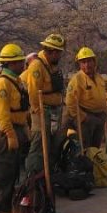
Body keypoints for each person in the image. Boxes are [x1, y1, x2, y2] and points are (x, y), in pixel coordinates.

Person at [0, 45, 30, 213]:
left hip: (17, 127)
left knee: (12, 171)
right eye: (19, 62)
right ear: (11, 64)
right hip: (6, 132)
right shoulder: (3, 83)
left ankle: (6, 204)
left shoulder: (15, 81)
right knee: (2, 170)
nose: (22, 65)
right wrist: (10, 135)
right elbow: (3, 115)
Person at [22, 34, 66, 177]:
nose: (60, 55)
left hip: (55, 111)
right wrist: (37, 112)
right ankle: (32, 178)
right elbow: (33, 92)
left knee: (53, 144)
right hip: (42, 111)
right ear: (51, 51)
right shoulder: (37, 66)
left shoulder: (53, 66)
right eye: (58, 52)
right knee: (39, 144)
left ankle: (48, 174)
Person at [65, 47, 107, 149]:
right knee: (85, 147)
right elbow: (70, 102)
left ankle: (93, 164)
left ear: (94, 62)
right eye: (83, 62)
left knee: (96, 147)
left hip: (100, 117)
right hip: (86, 118)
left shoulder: (99, 77)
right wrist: (83, 117)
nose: (87, 65)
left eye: (89, 61)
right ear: (79, 64)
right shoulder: (77, 80)